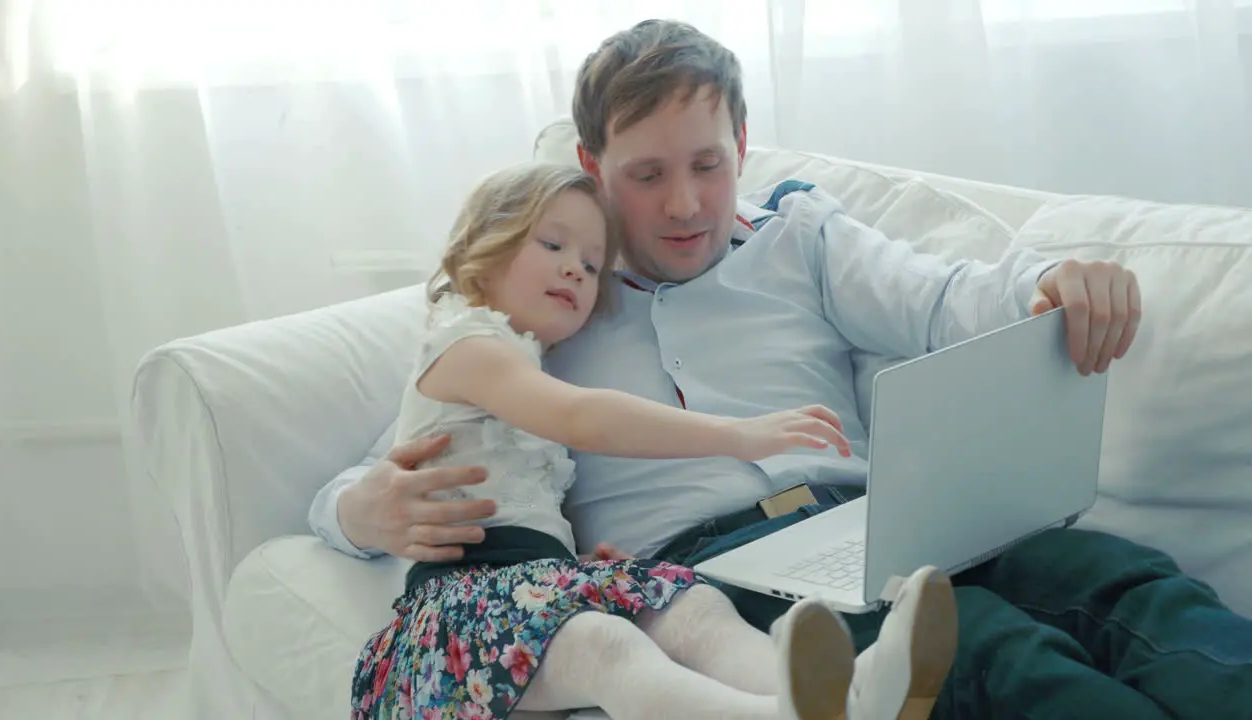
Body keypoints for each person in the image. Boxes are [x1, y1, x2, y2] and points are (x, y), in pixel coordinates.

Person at [314, 19, 1252, 720]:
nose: (684, 205)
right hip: (720, 572)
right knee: (999, 655)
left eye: (708, 166)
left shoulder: (802, 235)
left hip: (893, 517)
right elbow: (416, 434)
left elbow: (940, 298)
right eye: (646, 176)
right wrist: (360, 511)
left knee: (1126, 584)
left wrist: (1052, 279)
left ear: (743, 148)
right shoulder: (549, 298)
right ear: (593, 165)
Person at [346, 161, 961, 720]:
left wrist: (573, 570)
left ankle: (853, 695)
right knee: (608, 645)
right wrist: (737, 435)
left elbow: (522, 502)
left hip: (531, 588)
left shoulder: (526, 365)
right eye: (553, 244)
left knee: (691, 608)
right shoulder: (465, 342)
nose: (574, 268)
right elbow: (582, 417)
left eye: (591, 264)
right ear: (481, 248)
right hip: (459, 613)